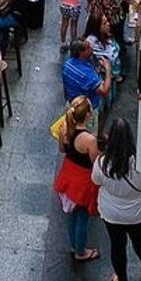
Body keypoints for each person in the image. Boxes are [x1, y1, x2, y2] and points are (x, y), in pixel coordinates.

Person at [92, 117, 141, 281]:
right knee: (139, 239)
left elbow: (95, 181)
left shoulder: (102, 163)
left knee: (117, 246)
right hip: (136, 213)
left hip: (111, 214)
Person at [52, 95, 100, 261]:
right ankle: (81, 251)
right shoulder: (89, 140)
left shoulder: (65, 127)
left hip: (67, 175)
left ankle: (74, 245)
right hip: (82, 182)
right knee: (82, 217)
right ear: (87, 115)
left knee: (71, 215)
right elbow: (95, 163)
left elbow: (62, 150)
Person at [61, 40, 110, 111]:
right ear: (81, 52)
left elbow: (65, 88)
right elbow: (104, 91)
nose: (91, 48)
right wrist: (108, 68)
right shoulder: (87, 75)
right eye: (88, 47)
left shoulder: (67, 65)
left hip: (72, 103)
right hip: (86, 109)